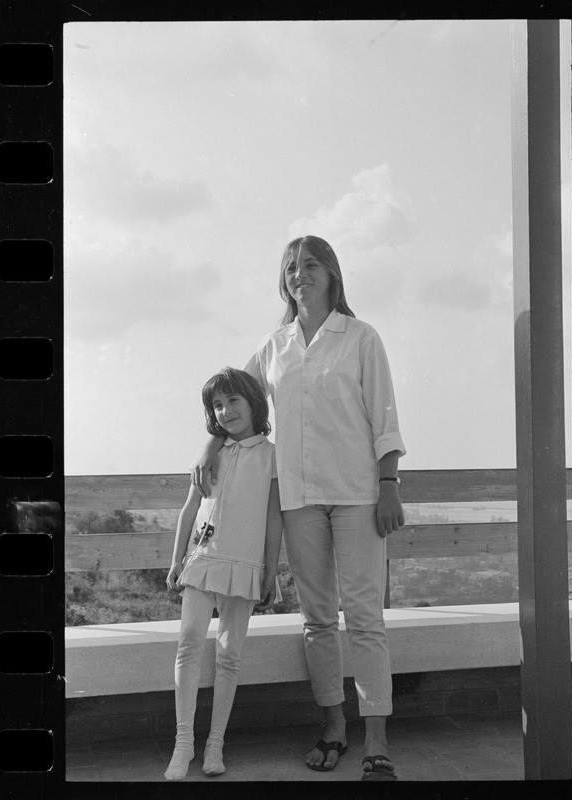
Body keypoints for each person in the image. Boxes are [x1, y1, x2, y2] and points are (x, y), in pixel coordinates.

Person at [192, 235, 406, 781]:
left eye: (310, 265)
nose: (299, 274)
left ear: (332, 273)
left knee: (364, 618)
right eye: (291, 267)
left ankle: (376, 741)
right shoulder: (274, 346)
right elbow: (232, 394)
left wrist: (389, 483)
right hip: (297, 498)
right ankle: (333, 726)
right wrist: (210, 443)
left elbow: (384, 416)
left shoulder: (360, 337)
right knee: (316, 619)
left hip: (358, 495)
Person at [164, 367, 282, 780]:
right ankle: (183, 745)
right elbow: (189, 509)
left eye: (234, 400)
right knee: (189, 644)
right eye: (218, 404)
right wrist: (177, 559)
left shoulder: (272, 456)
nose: (226, 410)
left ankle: (215, 744)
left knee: (229, 654)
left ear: (253, 403)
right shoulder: (210, 454)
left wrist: (269, 574)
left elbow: (273, 519)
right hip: (203, 561)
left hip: (246, 565)